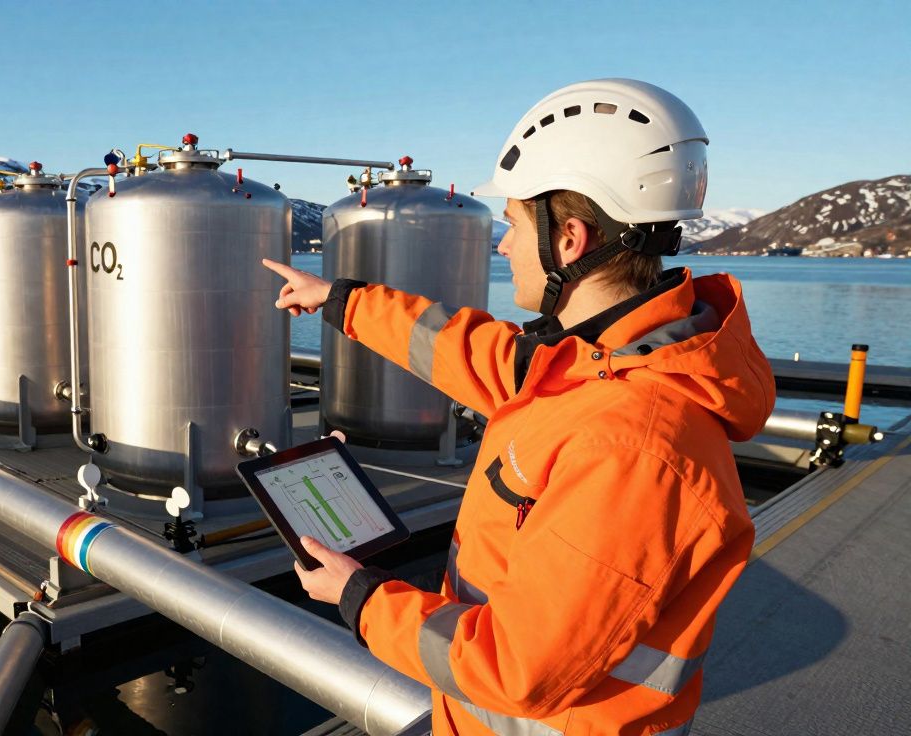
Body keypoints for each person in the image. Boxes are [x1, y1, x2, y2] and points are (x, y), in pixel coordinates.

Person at [263, 79, 775, 735]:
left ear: (568, 240)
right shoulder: (597, 363)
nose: (502, 246)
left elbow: (518, 671)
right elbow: (462, 350)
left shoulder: (629, 447)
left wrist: (361, 598)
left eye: (510, 224)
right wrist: (341, 300)